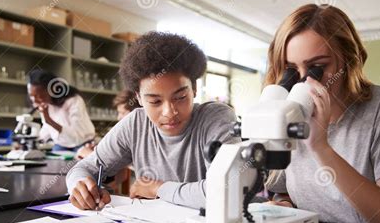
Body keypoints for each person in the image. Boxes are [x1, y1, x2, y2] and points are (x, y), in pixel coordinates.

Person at [266, 4, 380, 223]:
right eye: (291, 70)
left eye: (317, 68)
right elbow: (283, 191)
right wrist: (283, 205)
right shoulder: (291, 112)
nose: (303, 83)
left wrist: (320, 147)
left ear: (349, 60)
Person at [66, 31, 240, 210]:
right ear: (139, 99)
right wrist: (80, 186)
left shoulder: (216, 117)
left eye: (180, 97)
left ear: (194, 88)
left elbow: (227, 191)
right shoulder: (135, 124)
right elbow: (84, 168)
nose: (169, 112)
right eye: (155, 101)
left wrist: (159, 188)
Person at [27, 69, 95, 152]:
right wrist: (32, 142)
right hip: (61, 145)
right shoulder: (45, 103)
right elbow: (47, 128)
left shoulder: (74, 100)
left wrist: (49, 120)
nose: (34, 100)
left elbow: (76, 136)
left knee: (78, 164)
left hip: (82, 143)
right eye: (31, 96)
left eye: (39, 95)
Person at [76, 89, 140, 159]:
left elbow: (120, 166)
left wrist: (89, 154)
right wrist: (99, 151)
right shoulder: (127, 135)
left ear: (136, 113)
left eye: (122, 113)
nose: (118, 117)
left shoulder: (140, 138)